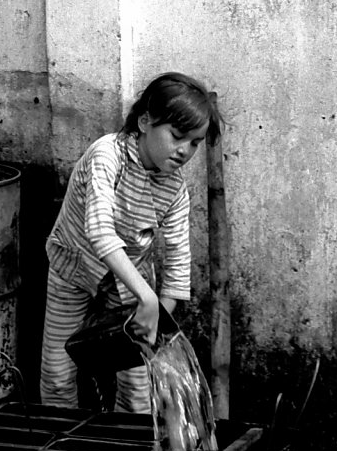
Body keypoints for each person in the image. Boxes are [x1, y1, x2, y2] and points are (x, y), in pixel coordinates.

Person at [40, 71, 223, 413]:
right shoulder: (107, 156)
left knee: (139, 387)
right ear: (144, 122)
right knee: (57, 373)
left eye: (195, 143)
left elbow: (179, 264)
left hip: (129, 286)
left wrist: (156, 311)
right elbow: (100, 232)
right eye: (178, 136)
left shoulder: (174, 189)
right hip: (73, 269)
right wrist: (147, 297)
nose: (185, 151)